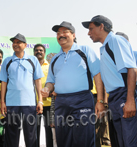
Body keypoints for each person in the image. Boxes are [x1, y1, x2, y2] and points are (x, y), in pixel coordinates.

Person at [41, 21, 105, 147]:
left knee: (84, 139)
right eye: (58, 33)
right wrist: (47, 88)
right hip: (61, 102)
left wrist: (100, 101)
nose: (61, 35)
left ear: (73, 35)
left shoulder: (85, 51)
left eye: (65, 32)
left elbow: (98, 75)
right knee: (63, 140)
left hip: (82, 100)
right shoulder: (54, 58)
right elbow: (51, 81)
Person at [82, 15, 137, 147]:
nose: (88, 33)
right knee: (121, 141)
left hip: (124, 95)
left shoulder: (116, 40)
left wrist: (130, 100)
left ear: (101, 26)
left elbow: (132, 69)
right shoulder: (104, 47)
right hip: (114, 98)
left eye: (91, 29)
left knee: (130, 141)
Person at [0, 33, 44, 147]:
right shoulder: (7, 61)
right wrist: (2, 102)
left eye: (18, 42)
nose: (15, 44)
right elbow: (3, 82)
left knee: (30, 135)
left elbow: (37, 81)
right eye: (14, 42)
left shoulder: (32, 60)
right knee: (11, 134)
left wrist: (40, 101)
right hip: (11, 103)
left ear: (25, 45)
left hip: (29, 103)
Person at [33, 44, 53, 147]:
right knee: (34, 129)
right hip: (34, 103)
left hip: (48, 103)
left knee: (48, 129)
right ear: (33, 52)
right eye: (36, 50)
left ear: (44, 53)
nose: (38, 52)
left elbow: (54, 82)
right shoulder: (30, 66)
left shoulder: (50, 66)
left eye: (41, 50)